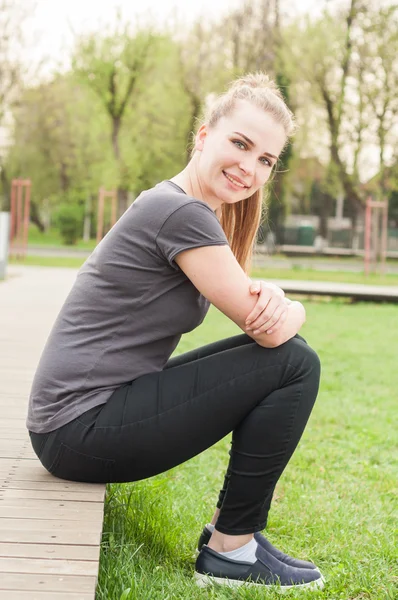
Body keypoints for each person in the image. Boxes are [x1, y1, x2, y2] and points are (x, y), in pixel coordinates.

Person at [27, 72, 323, 591]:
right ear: (204, 135)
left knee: (290, 357)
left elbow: (253, 307)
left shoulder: (181, 208)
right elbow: (273, 334)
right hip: (77, 427)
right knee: (295, 362)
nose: (249, 168)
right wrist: (289, 305)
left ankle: (236, 540)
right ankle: (232, 549)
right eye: (240, 144)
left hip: (76, 420)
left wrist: (274, 301)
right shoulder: (179, 212)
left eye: (265, 160)